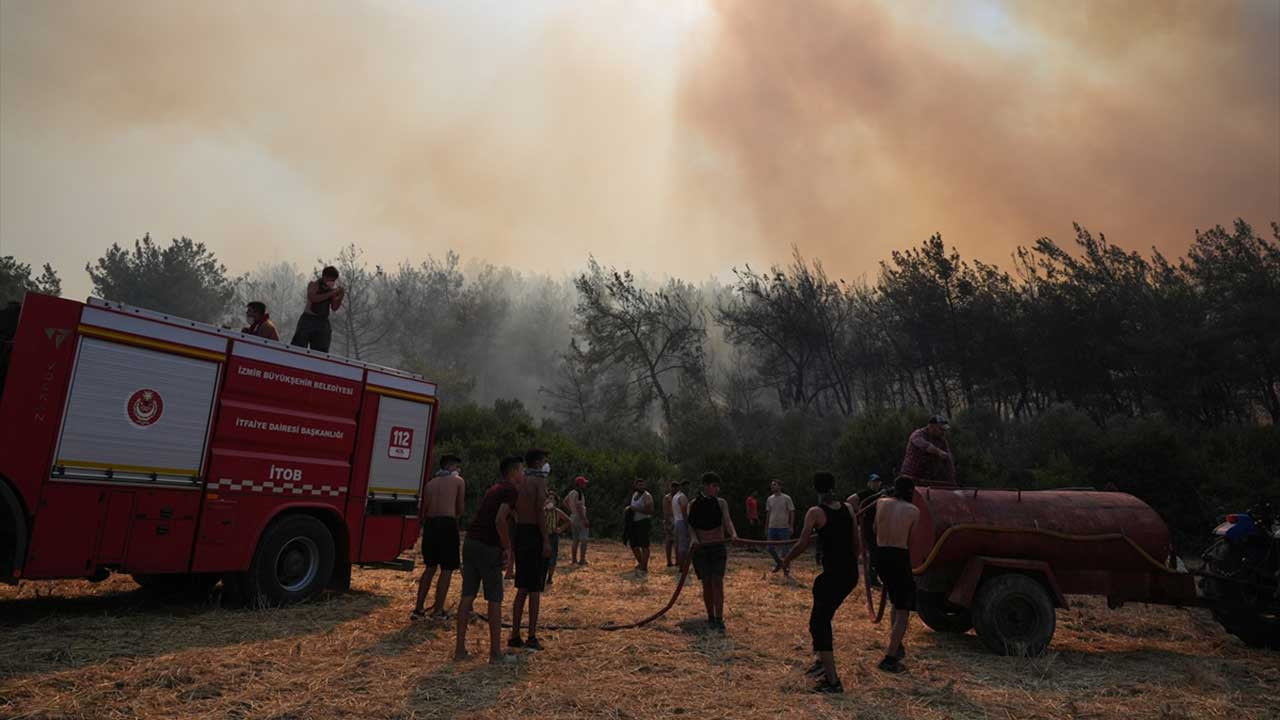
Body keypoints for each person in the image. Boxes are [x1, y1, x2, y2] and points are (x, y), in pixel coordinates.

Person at [782, 471, 859, 693]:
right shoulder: (849, 509)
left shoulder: (815, 512)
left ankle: (832, 681)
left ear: (816, 489)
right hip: (849, 573)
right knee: (821, 616)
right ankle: (821, 663)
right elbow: (856, 542)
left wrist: (786, 560)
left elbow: (802, 543)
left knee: (819, 623)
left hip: (833, 574)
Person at [455, 456, 521, 664]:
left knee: (467, 596)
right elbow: (500, 519)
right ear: (514, 471)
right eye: (522, 470)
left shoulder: (494, 488)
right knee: (494, 599)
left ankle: (459, 650)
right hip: (488, 547)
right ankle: (495, 654)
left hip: (471, 543)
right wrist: (507, 548)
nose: (524, 475)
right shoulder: (511, 490)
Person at [412, 454, 465, 621]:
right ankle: (438, 610)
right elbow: (460, 509)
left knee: (430, 567)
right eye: (457, 466)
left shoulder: (430, 484)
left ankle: (418, 609)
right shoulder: (458, 482)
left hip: (430, 526)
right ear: (450, 467)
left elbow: (424, 509)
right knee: (447, 569)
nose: (458, 470)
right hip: (447, 524)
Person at [875, 476, 920, 673]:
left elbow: (875, 528)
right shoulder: (913, 511)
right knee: (903, 612)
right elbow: (911, 540)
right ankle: (890, 659)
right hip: (898, 556)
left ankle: (896, 644)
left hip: (880, 555)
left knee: (895, 601)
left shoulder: (881, 503)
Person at [510, 449, 552, 651]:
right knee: (535, 588)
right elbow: (539, 510)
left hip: (520, 531)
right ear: (538, 462)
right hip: (534, 533)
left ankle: (514, 634)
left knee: (522, 587)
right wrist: (545, 540)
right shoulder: (539, 481)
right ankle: (532, 637)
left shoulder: (519, 480)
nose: (546, 464)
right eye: (544, 460)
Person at [688, 472, 738, 632]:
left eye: (718, 486)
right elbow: (691, 526)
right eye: (714, 486)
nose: (717, 489)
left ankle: (719, 619)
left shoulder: (721, 503)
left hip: (718, 547)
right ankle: (710, 617)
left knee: (718, 581)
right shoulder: (693, 504)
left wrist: (733, 534)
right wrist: (694, 539)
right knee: (707, 583)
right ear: (706, 486)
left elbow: (727, 520)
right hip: (701, 549)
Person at [291, 266, 344, 352]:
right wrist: (330, 293)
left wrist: (340, 296)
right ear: (325, 277)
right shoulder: (314, 285)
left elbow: (334, 307)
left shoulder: (331, 290)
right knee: (298, 347)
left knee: (321, 351)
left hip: (322, 322)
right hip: (308, 320)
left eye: (334, 280)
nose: (332, 282)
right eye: (331, 279)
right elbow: (313, 298)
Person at [848, 473, 883, 588]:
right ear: (869, 483)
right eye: (873, 482)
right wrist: (861, 512)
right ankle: (872, 579)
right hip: (867, 526)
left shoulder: (881, 494)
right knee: (872, 551)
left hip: (878, 525)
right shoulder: (866, 493)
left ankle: (872, 576)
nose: (875, 484)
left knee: (872, 551)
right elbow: (850, 500)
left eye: (877, 481)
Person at [899, 415, 955, 486]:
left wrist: (952, 478)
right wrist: (939, 452)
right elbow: (925, 446)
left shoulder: (941, 440)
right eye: (941, 429)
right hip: (909, 477)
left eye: (944, 430)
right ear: (931, 426)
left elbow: (948, 458)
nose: (943, 432)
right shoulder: (917, 434)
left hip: (926, 479)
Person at [766, 480, 796, 576]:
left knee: (785, 550)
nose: (772, 487)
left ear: (780, 486)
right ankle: (779, 562)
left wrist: (791, 525)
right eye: (772, 485)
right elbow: (768, 513)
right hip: (772, 526)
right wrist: (766, 526)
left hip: (783, 527)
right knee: (770, 548)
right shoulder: (769, 499)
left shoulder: (786, 498)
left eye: (774, 485)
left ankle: (786, 569)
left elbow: (792, 512)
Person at [625, 478, 655, 574]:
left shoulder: (647, 496)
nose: (641, 486)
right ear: (636, 486)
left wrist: (635, 509)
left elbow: (650, 511)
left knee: (644, 545)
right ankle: (641, 563)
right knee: (633, 545)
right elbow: (632, 507)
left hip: (643, 522)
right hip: (633, 523)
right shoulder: (635, 495)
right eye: (639, 485)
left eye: (642, 485)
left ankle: (644, 566)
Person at [543, 489, 572, 588]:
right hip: (544, 536)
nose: (550, 501)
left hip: (553, 536)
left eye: (552, 499)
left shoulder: (557, 512)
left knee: (553, 557)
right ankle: (542, 576)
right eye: (548, 498)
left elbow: (568, 521)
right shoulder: (542, 511)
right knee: (542, 557)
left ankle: (550, 577)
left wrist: (560, 529)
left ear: (555, 501)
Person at [565, 475, 590, 565]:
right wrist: (584, 519)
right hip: (579, 517)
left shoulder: (571, 492)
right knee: (584, 539)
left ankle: (574, 559)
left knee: (575, 539)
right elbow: (579, 507)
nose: (585, 485)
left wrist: (572, 510)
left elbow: (565, 501)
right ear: (580, 484)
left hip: (573, 516)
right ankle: (582, 560)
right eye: (584, 483)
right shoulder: (579, 493)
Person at [672, 479, 692, 566]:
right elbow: (684, 512)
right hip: (681, 521)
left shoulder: (675, 496)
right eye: (687, 487)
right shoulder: (682, 497)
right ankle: (682, 565)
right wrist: (687, 524)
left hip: (676, 521)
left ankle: (679, 563)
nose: (688, 489)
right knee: (683, 545)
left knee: (679, 543)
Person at [662, 481, 678, 567]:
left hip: (676, 520)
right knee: (669, 541)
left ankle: (677, 560)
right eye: (673, 487)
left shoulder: (678, 497)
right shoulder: (667, 498)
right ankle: (669, 561)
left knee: (676, 542)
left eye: (676, 487)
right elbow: (665, 511)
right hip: (669, 520)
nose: (674, 489)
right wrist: (668, 523)